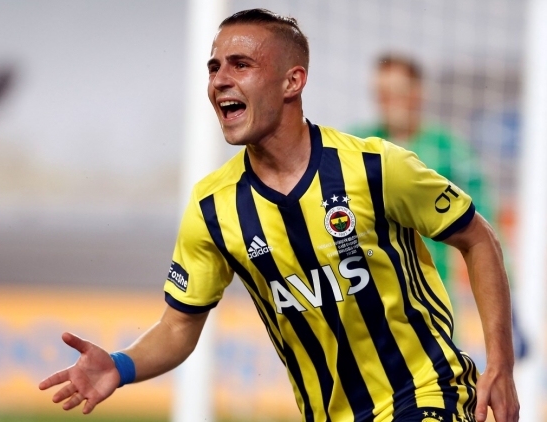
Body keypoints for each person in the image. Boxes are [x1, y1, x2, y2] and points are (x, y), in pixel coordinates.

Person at [39, 9, 519, 422]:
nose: (219, 80)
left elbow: (478, 238)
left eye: (241, 64)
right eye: (214, 67)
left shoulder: (375, 167)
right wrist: (120, 366)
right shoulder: (213, 208)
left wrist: (500, 363)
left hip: (428, 394)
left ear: (293, 81)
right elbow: (178, 327)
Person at [349, 54, 491, 296]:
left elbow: (484, 216)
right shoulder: (356, 144)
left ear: (418, 93)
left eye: (396, 92)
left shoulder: (447, 147)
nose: (388, 102)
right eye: (381, 94)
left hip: (433, 289)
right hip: (371, 288)